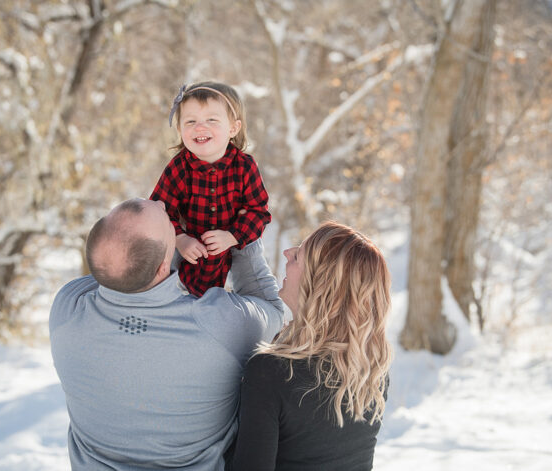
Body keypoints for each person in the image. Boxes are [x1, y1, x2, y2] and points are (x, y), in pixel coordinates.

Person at [50, 198, 284, 470]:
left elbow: (121, 273)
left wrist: (165, 243)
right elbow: (272, 311)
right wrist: (242, 237)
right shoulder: (219, 324)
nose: (163, 203)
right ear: (163, 266)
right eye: (167, 221)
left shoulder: (66, 311)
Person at [230, 222, 393, 471]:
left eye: (298, 256)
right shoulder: (371, 371)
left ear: (316, 283)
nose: (287, 253)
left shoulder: (272, 372)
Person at [151, 81, 272, 297]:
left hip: (237, 241)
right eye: (190, 121)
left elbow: (259, 212)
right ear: (180, 129)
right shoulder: (179, 168)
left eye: (211, 120)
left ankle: (262, 314)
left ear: (233, 128)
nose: (200, 127)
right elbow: (157, 211)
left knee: (256, 278)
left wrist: (232, 236)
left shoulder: (244, 166)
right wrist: (180, 238)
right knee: (165, 274)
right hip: (191, 243)